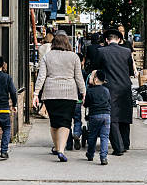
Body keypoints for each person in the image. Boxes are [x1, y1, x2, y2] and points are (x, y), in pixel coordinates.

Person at [33, 33, 86, 162]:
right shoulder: (74, 57)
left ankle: (57, 147)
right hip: (69, 93)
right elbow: (79, 77)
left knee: (54, 122)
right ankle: (61, 150)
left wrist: (36, 94)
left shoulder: (47, 56)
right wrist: (83, 92)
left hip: (51, 93)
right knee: (66, 121)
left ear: (53, 44)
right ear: (67, 43)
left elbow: (41, 77)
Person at [93, 28, 134, 156]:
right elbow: (131, 71)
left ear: (106, 40)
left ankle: (118, 147)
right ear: (119, 40)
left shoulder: (101, 51)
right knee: (125, 115)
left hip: (110, 87)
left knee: (112, 117)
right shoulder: (127, 51)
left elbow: (96, 68)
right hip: (125, 87)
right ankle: (126, 143)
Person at [84, 69, 111, 165]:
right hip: (106, 116)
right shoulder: (106, 91)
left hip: (94, 115)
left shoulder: (90, 91)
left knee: (92, 136)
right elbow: (109, 102)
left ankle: (90, 154)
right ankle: (103, 157)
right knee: (104, 137)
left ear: (95, 80)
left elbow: (86, 104)